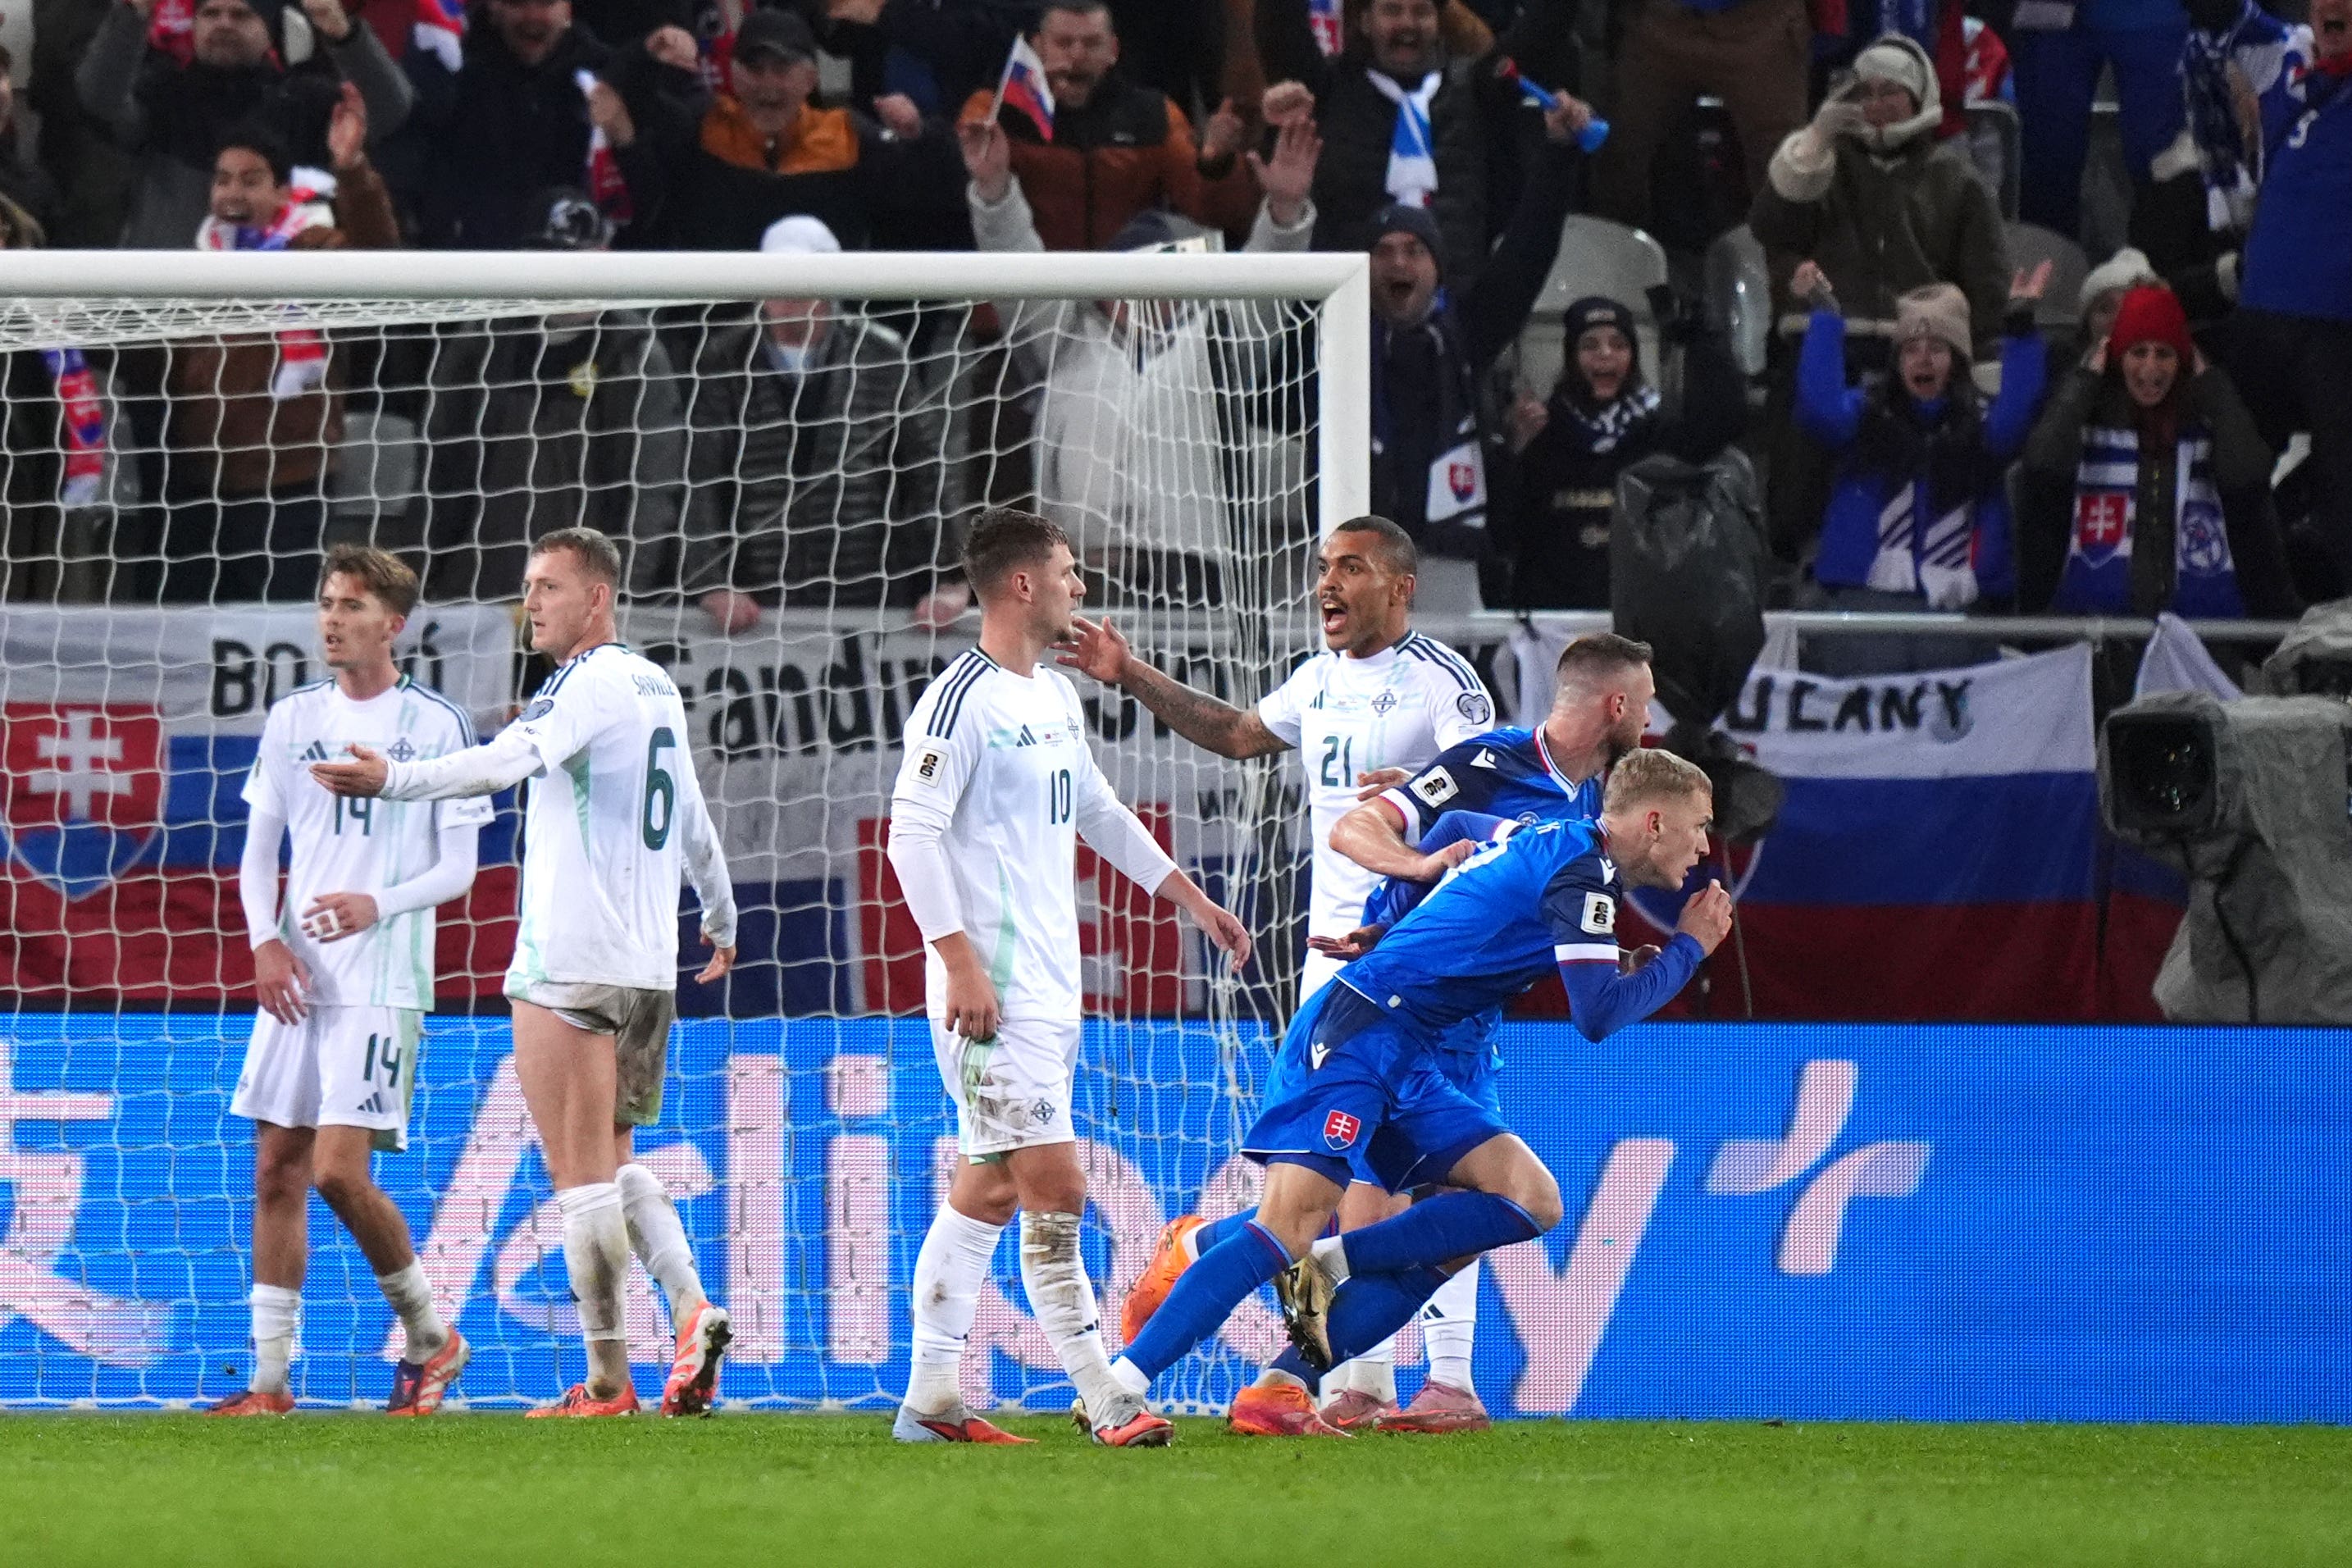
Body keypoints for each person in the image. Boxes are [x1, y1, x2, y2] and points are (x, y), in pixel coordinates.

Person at [1101, 750, 1734, 1424]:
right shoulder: (1583, 869)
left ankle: (1287, 1367)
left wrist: (1390, 920)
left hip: (1409, 1053)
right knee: (1285, 1229)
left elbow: (1459, 830)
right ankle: (1119, 1387)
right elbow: (1599, 1015)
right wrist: (1688, 948)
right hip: (1360, 1034)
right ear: (1657, 820)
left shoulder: (1555, 842)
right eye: (1700, 825)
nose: (1704, 845)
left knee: (1527, 1202)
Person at [1055, 515, 1499, 1432]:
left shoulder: (1445, 687)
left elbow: (1497, 805)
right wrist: (1129, 672)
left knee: (1405, 1189)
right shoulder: (1318, 680)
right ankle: (1322, 1365)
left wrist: (1427, 801)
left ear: (1402, 586)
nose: (1326, 584)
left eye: (1350, 568)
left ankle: (1355, 1377)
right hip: (1337, 981)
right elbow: (1241, 733)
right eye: (1321, 568)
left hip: (1430, 968)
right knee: (1352, 1195)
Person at [311, 527, 741, 1418]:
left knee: (578, 1176)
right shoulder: (655, 684)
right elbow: (693, 814)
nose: (531, 602)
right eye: (526, 586)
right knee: (618, 1162)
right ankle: (692, 1305)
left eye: (547, 586)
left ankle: (609, 1382)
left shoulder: (581, 686)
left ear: (597, 598)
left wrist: (393, 778)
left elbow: (506, 761)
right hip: (648, 967)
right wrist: (721, 914)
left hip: (569, 961)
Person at [882, 508, 1251, 1447]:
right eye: (1068, 572)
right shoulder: (957, 701)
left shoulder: (1050, 695)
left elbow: (1096, 808)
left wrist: (1187, 896)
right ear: (1021, 586)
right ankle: (1108, 1398)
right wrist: (958, 961)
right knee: (1057, 1187)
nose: (1080, 587)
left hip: (1051, 987)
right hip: (989, 995)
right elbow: (910, 835)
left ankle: (929, 1403)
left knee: (991, 1190)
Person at [213, 545, 485, 1417]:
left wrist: (379, 902)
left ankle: (433, 1337)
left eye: (351, 606)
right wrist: (265, 941)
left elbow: (460, 869)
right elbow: (261, 853)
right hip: (298, 975)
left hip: (382, 976)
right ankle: (266, 1385)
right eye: (326, 603)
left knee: (336, 1172)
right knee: (275, 1170)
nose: (331, 619)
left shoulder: (438, 726)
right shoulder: (293, 718)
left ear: (393, 624)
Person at [964, 107, 1321, 606]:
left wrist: (1283, 209)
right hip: (1079, 570)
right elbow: (1012, 259)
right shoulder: (1061, 335)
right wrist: (996, 188)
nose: (1155, 294)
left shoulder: (1222, 338)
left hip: (1194, 573)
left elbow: (1267, 289)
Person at [148, 96, 398, 604]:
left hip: (290, 484)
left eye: (250, 179)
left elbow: (380, 256)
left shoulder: (314, 249)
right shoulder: (194, 263)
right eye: (223, 179)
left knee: (275, 630)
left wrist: (352, 170)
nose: (233, 192)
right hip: (201, 483)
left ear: (283, 191)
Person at [679, 214, 970, 635]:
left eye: (803, 276)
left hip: (870, 593)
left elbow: (925, 472)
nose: (788, 291)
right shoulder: (724, 359)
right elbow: (700, 479)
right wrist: (710, 582)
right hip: (758, 603)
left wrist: (950, 578)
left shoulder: (881, 355)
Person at [418, 186, 687, 604]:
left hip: (587, 597)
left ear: (603, 258)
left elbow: (654, 483)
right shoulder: (483, 341)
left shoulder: (634, 352)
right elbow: (439, 467)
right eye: (551, 259)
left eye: (575, 259)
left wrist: (626, 590)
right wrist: (426, 576)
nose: (563, 274)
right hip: (482, 591)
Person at [1365, 84, 1592, 560]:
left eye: (1414, 251)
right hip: (1358, 557)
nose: (1398, 264)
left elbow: (1527, 254)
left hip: (1453, 555)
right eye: (1383, 252)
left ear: (1438, 268)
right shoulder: (1339, 342)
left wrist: (1558, 152)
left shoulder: (1467, 330)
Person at [1790, 262, 2053, 675]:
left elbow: (2019, 415)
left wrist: (2020, 327)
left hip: (1956, 612)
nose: (1923, 359)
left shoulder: (1981, 429)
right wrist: (1825, 316)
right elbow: (1819, 408)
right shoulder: (1863, 417)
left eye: (1937, 348)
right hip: (1864, 609)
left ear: (1959, 360)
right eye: (1911, 349)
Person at [1252, 0, 1579, 285]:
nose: (1407, 23)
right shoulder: (1327, 91)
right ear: (1365, 21)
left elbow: (1542, 34)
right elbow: (1280, 28)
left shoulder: (1477, 92)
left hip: (1455, 313)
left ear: (1439, 24)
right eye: (1392, 10)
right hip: (1345, 309)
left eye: (1421, 11)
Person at [2022, 283, 2297, 621]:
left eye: (2164, 354)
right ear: (2116, 357)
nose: (2150, 369)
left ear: (2182, 360)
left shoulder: (2208, 421)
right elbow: (2041, 466)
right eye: (2138, 352)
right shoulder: (2088, 420)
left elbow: (2248, 478)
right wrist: (2084, 380)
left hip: (2199, 640)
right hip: (2099, 639)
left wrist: (2214, 387)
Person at [1324, 631, 1655, 891]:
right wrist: (1421, 866)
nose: (1649, 721)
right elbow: (1350, 828)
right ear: (1619, 706)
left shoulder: (1591, 803)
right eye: (1645, 705)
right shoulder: (1489, 764)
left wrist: (1622, 961)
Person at [614, 9, 964, 250]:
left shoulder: (846, 136)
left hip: (825, 325)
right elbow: (627, 106)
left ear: (811, 78)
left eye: (782, 69)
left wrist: (920, 134)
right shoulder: (704, 125)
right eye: (755, 67)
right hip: (715, 330)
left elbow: (936, 188)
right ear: (734, 74)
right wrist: (647, 54)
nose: (768, 84)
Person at [75, 0, 413, 248]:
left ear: (270, 31)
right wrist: (131, 16)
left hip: (288, 308)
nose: (223, 23)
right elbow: (100, 99)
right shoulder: (161, 93)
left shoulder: (306, 101)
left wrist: (345, 36)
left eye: (240, 15)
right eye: (210, 14)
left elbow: (390, 110)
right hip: (170, 307)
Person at [1499, 290, 1750, 609]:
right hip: (1555, 621)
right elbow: (1505, 529)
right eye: (1590, 345)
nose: (1605, 354)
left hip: (1642, 615)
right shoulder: (1541, 430)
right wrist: (1514, 452)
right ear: (1570, 357)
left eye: (1619, 345)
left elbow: (1724, 420)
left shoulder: (1655, 431)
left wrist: (1701, 340)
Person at [2222, 0, 2352, 592]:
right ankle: (2238, 617)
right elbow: (2216, 11)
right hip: (2262, 311)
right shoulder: (2284, 61)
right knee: (2237, 471)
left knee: (2343, 486)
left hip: (2337, 322)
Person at [955, 0, 1259, 250]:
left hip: (1122, 298)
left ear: (1113, 50)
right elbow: (958, 196)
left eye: (1091, 44)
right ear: (1038, 46)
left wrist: (1217, 165)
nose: (1076, 56)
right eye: (1063, 43)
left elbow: (1217, 214)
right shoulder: (994, 112)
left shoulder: (1153, 115)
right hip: (1019, 297)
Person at [417, 0, 660, 248]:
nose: (533, 16)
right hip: (485, 272)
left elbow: (652, 210)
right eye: (517, 3)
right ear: (493, 7)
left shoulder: (610, 77)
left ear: (567, 7)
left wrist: (626, 141)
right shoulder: (456, 80)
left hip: (589, 273)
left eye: (546, 3)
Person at [1591, 0, 1812, 234]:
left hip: (1762, 25)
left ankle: (1783, 262)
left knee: (1785, 170)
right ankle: (1620, 257)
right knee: (1618, 145)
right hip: (1661, 22)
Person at [2008, 0, 2191, 242]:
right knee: (2048, 164)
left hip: (2154, 14)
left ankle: (2167, 275)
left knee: (2164, 166)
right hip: (2049, 19)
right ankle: (2046, 274)